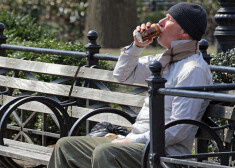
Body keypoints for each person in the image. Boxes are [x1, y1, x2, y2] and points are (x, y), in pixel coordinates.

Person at [48, 2, 213, 168]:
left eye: (169, 19)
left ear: (184, 32)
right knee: (65, 146)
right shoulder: (163, 60)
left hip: (164, 154)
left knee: (105, 153)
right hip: (137, 142)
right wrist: (137, 46)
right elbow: (122, 75)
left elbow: (179, 130)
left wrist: (130, 140)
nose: (160, 22)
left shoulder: (192, 70)